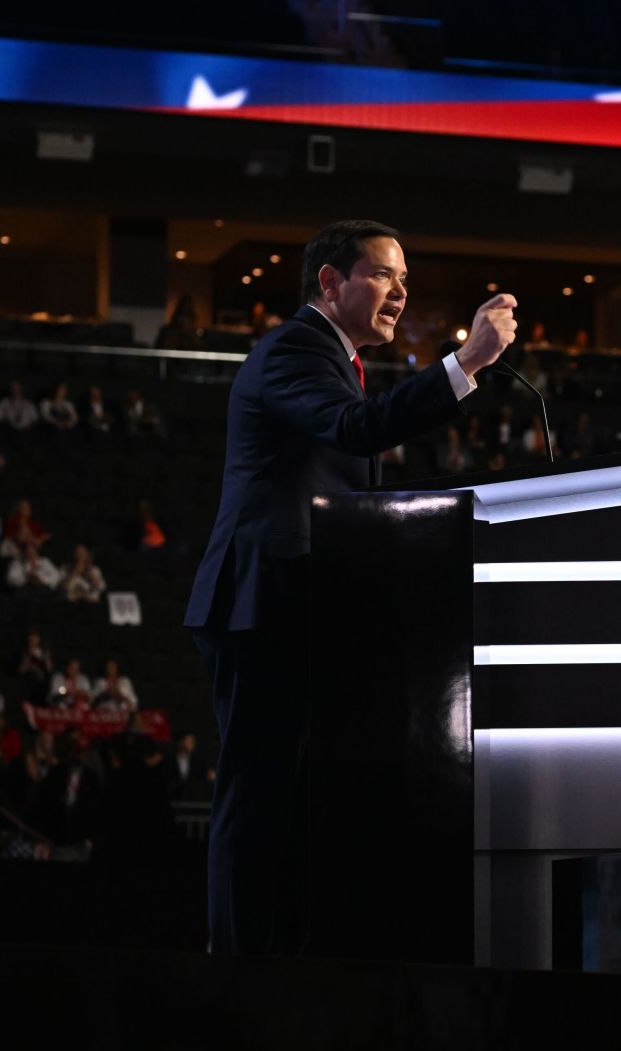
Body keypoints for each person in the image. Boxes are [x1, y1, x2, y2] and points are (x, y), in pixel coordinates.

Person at [184, 220, 517, 955]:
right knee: (258, 788)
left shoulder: (333, 360)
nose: (401, 291)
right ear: (331, 283)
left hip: (304, 604)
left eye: (405, 279)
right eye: (384, 274)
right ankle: (235, 968)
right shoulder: (292, 350)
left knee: (294, 795)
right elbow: (356, 428)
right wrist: (464, 365)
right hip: (261, 599)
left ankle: (280, 958)